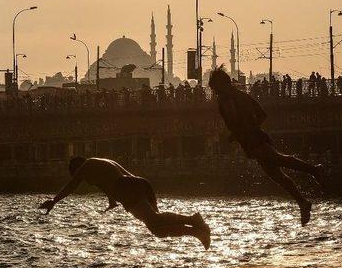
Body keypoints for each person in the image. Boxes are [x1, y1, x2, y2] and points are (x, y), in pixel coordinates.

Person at [208, 67, 324, 226]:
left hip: (253, 140)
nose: (214, 92)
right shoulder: (241, 96)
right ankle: (303, 202)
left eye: (214, 87)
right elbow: (261, 115)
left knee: (279, 161)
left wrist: (242, 132)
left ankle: (313, 171)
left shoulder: (227, 99)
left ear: (221, 84)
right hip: (254, 139)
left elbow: (236, 120)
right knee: (277, 175)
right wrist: (243, 131)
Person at [39, 157, 212, 249]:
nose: (84, 180)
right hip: (140, 184)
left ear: (77, 168)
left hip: (127, 189)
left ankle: (193, 220)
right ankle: (196, 233)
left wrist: (54, 201)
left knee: (156, 221)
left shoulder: (86, 165)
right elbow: (106, 183)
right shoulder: (101, 164)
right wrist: (112, 201)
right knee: (157, 229)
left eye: (80, 176)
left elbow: (71, 185)